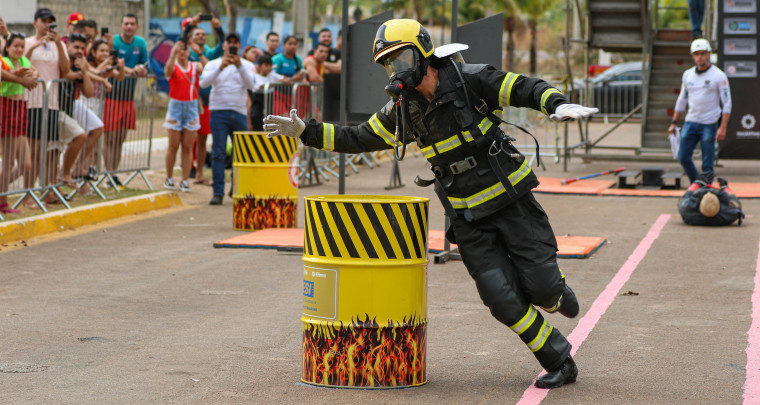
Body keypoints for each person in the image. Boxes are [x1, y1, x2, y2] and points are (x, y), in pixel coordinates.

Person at [264, 19, 598, 389]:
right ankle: (559, 359)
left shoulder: (471, 79)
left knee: (542, 288)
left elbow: (524, 88)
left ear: (423, 51)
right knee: (500, 299)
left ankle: (555, 293)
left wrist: (557, 104)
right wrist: (305, 131)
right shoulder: (402, 110)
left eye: (401, 57)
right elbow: (357, 137)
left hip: (511, 199)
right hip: (467, 216)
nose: (396, 69)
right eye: (388, 64)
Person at [199, 32, 255, 205]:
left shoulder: (246, 64)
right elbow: (203, 83)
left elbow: (252, 84)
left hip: (238, 112)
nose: (231, 46)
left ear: (239, 46)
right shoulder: (213, 63)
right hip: (218, 112)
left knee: (240, 154)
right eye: (228, 43)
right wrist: (220, 67)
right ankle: (217, 192)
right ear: (223, 45)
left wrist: (239, 66)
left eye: (235, 43)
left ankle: (236, 189)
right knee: (218, 153)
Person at [668, 39, 731, 184]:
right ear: (692, 56)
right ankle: (698, 184)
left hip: (709, 124)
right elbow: (682, 100)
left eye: (703, 53)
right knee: (683, 156)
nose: (700, 57)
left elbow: (727, 103)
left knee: (707, 163)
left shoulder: (719, 76)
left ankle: (705, 190)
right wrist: (674, 122)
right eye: (697, 54)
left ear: (709, 54)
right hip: (691, 122)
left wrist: (723, 127)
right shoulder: (688, 75)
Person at [25, 7, 71, 206]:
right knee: (33, 151)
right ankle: (27, 194)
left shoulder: (57, 46)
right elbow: (20, 63)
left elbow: (66, 71)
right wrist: (35, 47)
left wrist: (59, 44)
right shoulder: (27, 42)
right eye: (43, 21)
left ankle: (43, 191)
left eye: (50, 22)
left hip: (51, 104)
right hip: (31, 102)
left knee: (45, 150)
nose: (47, 25)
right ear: (35, 23)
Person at [103, 13, 148, 189]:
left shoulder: (140, 43)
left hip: (128, 98)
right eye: (126, 23)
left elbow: (146, 63)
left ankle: (114, 172)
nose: (129, 26)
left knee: (120, 138)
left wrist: (142, 69)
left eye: (132, 24)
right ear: (121, 25)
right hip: (111, 96)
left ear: (136, 26)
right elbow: (112, 62)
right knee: (110, 137)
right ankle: (109, 174)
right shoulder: (112, 41)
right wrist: (130, 71)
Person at [1, 32, 38, 214]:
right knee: (8, 162)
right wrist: (20, 77)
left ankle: (2, 194)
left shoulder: (23, 61)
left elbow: (34, 71)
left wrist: (32, 73)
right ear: (7, 47)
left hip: (21, 107)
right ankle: (3, 203)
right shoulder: (3, 61)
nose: (19, 49)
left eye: (22, 46)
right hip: (6, 106)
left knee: (26, 164)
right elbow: (5, 75)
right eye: (15, 46)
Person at [186, 20, 225, 186]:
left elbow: (223, 43)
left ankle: (200, 174)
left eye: (203, 34)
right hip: (189, 99)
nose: (201, 36)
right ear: (191, 38)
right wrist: (191, 23)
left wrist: (218, 27)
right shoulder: (187, 52)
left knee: (202, 139)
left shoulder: (211, 53)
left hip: (207, 101)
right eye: (197, 34)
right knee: (187, 139)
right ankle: (187, 171)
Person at [163, 40, 204, 192]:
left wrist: (199, 52)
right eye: (179, 49)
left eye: (185, 49)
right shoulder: (173, 66)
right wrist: (172, 53)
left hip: (191, 106)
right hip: (176, 106)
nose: (182, 52)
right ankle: (169, 177)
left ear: (189, 52)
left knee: (187, 146)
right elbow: (167, 71)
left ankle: (185, 180)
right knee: (173, 145)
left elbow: (206, 69)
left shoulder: (195, 66)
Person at [57, 33, 94, 190]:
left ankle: (56, 186)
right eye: (76, 47)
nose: (79, 51)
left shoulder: (78, 66)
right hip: (53, 109)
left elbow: (89, 92)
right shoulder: (61, 61)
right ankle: (65, 174)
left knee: (55, 151)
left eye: (82, 48)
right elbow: (65, 74)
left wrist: (84, 73)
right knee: (80, 135)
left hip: (66, 111)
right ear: (68, 46)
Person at [678, 172, 744, 225]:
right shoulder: (729, 214)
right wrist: (725, 187)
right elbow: (733, 200)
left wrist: (698, 183)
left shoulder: (687, 210)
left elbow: (687, 195)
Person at [249, 55, 286, 131]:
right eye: (266, 65)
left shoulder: (272, 75)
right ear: (259, 66)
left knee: (270, 126)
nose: (269, 67)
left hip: (269, 106)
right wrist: (275, 83)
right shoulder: (255, 77)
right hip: (258, 104)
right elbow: (262, 86)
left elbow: (285, 79)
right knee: (258, 125)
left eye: (270, 65)